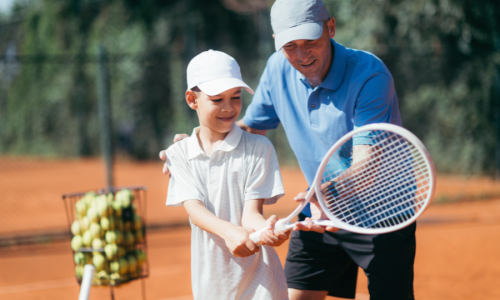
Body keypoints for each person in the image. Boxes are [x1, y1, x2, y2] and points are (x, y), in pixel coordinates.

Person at [161, 1, 416, 300]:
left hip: (382, 213)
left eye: (310, 41)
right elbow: (248, 128)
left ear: (330, 28)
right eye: (290, 45)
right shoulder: (277, 68)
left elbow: (367, 165)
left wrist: (327, 194)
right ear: (276, 43)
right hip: (318, 210)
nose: (302, 54)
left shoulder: (370, 76)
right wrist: (200, 141)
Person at [164, 49, 289, 300]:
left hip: (263, 287)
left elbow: (252, 214)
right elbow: (195, 210)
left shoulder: (258, 148)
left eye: (235, 96)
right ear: (192, 99)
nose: (229, 108)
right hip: (211, 285)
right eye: (217, 99)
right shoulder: (178, 153)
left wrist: (268, 230)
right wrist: (230, 232)